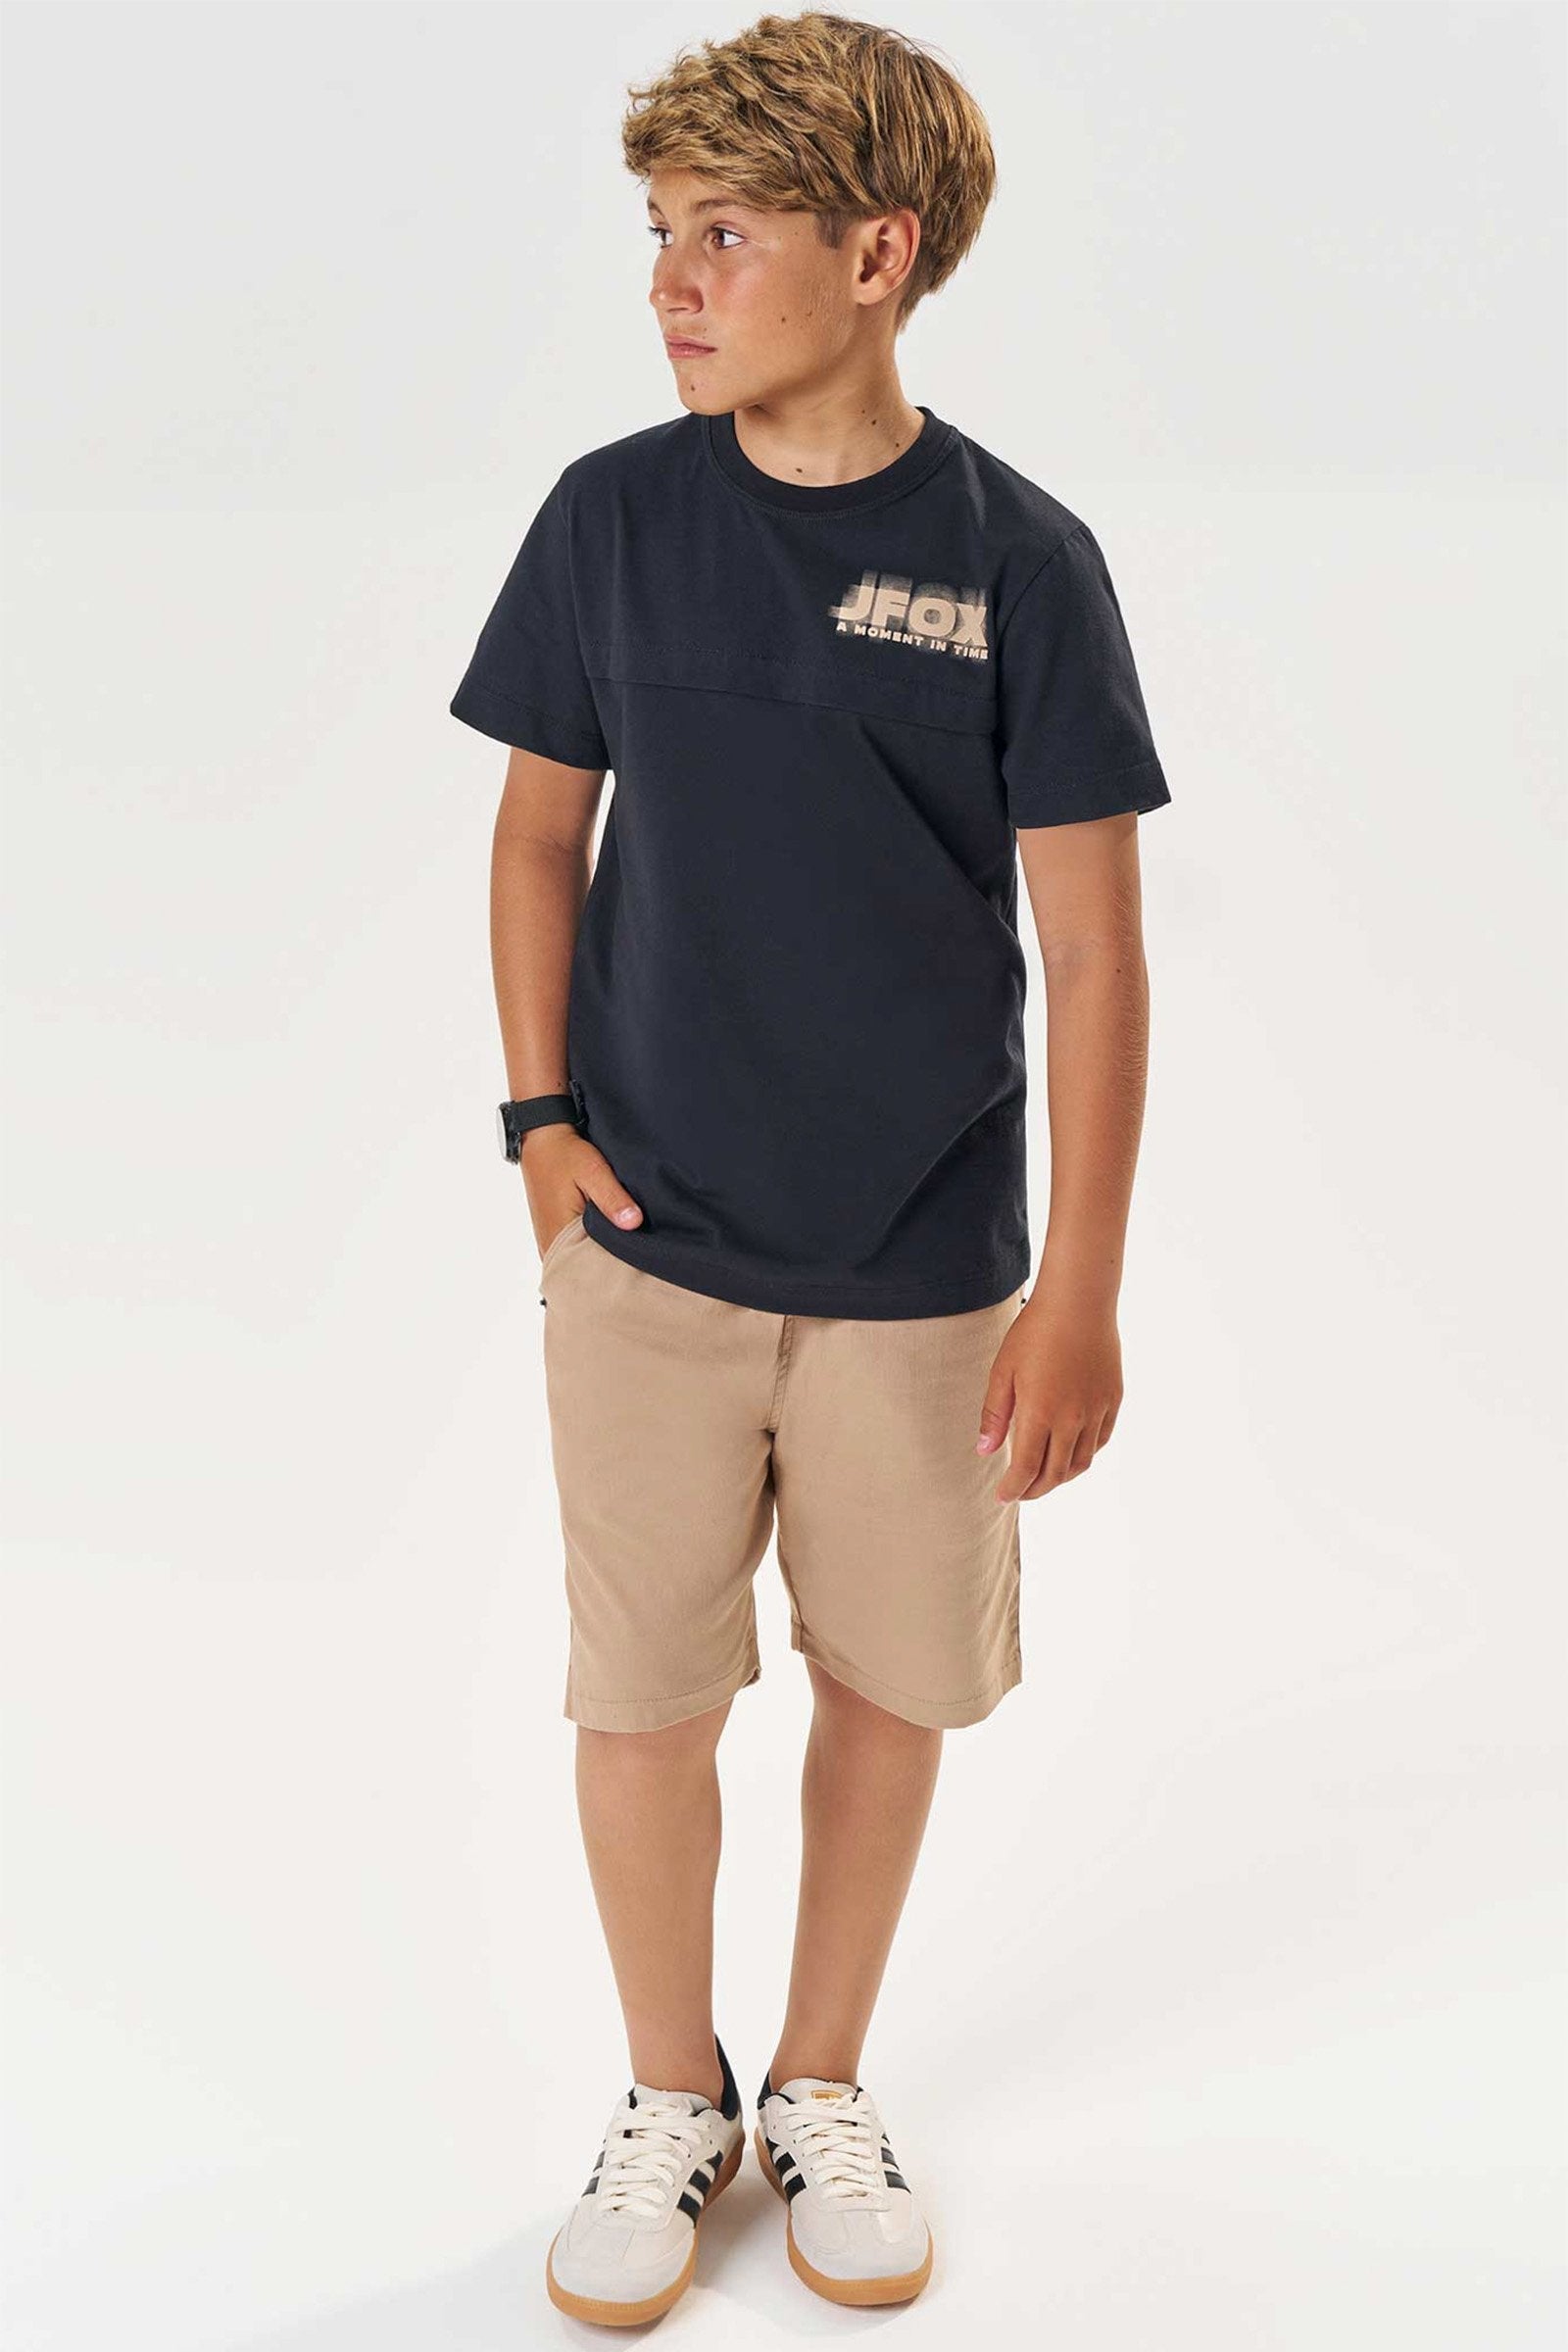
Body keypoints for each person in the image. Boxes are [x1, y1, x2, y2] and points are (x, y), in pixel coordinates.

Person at [449, 10, 1170, 2325]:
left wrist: (1075, 1290)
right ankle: (670, 2096)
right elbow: (534, 836)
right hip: (647, 1250)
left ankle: (818, 2082)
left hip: (924, 1271)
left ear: (877, 256)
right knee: (641, 1695)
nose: (670, 281)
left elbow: (1092, 951)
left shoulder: (1017, 564)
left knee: (885, 1685)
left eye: (723, 235)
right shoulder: (612, 520)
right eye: (657, 234)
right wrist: (541, 1135)